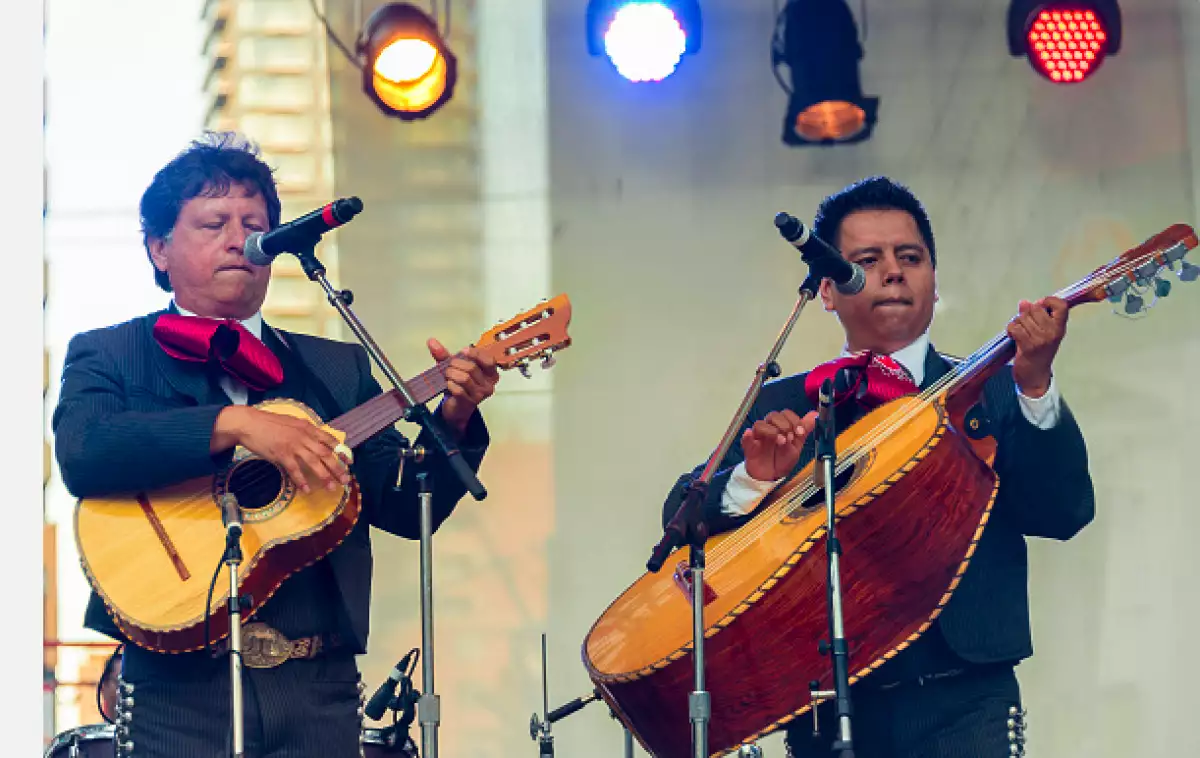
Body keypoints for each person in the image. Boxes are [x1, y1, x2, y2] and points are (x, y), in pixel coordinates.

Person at [52, 132, 499, 758]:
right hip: (176, 689)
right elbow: (84, 449)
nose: (239, 239)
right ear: (159, 249)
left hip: (316, 688)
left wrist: (454, 412)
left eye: (255, 225)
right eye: (213, 223)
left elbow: (404, 507)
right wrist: (234, 426)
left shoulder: (335, 368)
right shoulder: (112, 353)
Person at [659, 176, 1095, 758]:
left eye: (910, 257)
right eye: (866, 260)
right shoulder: (787, 400)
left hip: (967, 700)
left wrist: (1035, 383)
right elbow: (680, 520)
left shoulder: (992, 389)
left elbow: (1063, 512)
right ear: (829, 292)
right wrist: (755, 478)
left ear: (934, 282)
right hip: (823, 700)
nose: (893, 271)